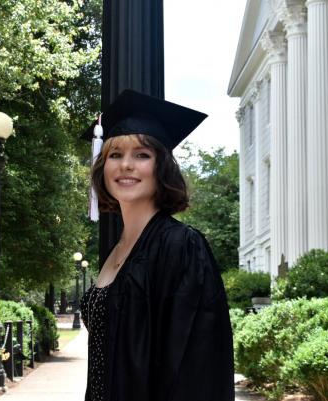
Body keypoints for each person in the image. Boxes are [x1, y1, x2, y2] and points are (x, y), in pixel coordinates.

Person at [79, 89, 234, 401]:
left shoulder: (182, 247)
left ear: (161, 166)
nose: (126, 165)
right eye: (115, 154)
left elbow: (196, 367)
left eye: (142, 155)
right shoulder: (118, 249)